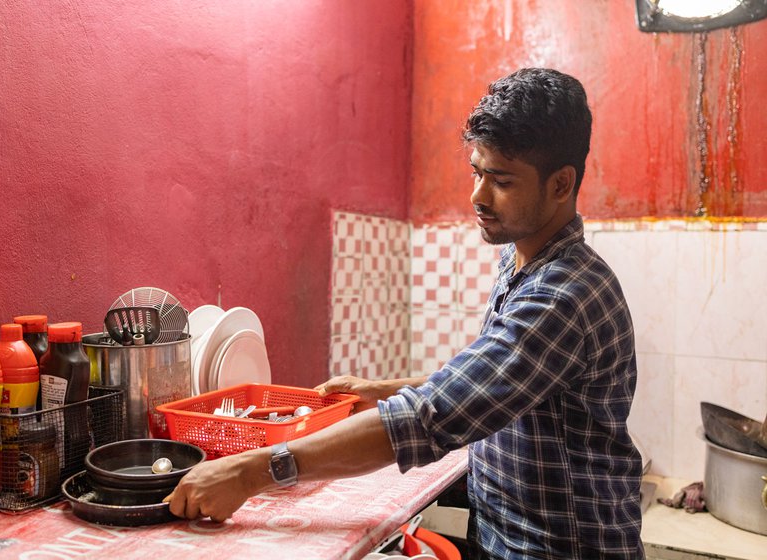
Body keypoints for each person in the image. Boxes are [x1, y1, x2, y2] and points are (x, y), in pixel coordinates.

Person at [165, 67, 644, 559]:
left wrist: (250, 471)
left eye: (501, 180)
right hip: (504, 536)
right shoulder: (522, 260)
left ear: (561, 184)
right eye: (477, 172)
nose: (478, 196)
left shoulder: (563, 295)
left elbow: (427, 419)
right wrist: (384, 390)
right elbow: (490, 382)